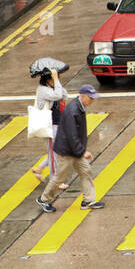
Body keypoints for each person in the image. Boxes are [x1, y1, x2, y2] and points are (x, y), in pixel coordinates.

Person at [37, 85, 103, 213]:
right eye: (90, 98)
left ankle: (88, 200)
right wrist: (82, 151)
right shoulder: (73, 111)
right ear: (83, 96)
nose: (92, 101)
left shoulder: (80, 107)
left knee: (86, 171)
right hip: (67, 151)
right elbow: (72, 136)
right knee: (59, 178)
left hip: (74, 150)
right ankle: (44, 199)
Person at [30, 68, 66, 182]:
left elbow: (64, 96)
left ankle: (39, 168)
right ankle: (55, 182)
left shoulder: (53, 88)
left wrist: (57, 83)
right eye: (55, 78)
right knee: (54, 154)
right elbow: (57, 96)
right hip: (50, 126)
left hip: (58, 124)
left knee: (57, 152)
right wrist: (56, 81)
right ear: (47, 79)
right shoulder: (42, 90)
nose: (57, 80)